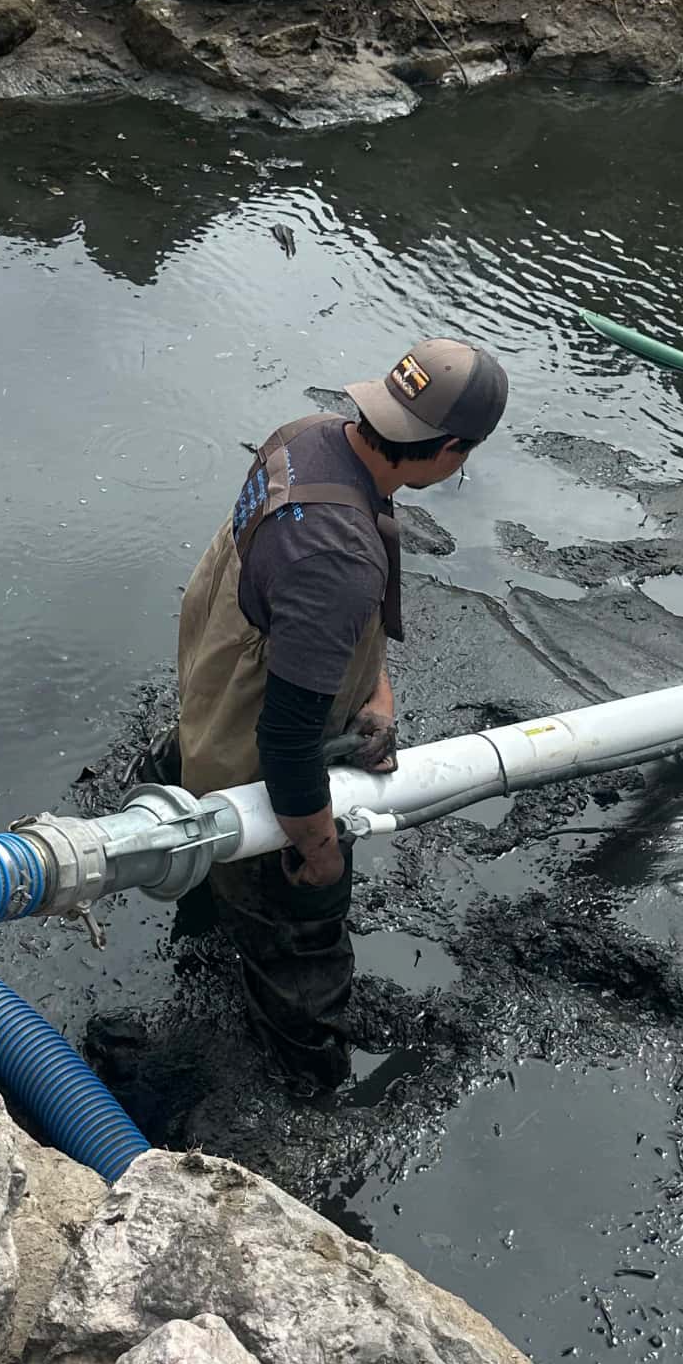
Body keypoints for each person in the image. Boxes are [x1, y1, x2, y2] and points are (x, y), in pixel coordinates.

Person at [171, 338, 509, 1090]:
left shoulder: (308, 438)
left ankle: (199, 907)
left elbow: (306, 603)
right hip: (253, 756)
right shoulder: (340, 558)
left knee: (204, 849)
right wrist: (318, 852)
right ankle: (308, 1098)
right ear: (450, 450)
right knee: (302, 937)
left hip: (212, 680)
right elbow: (288, 746)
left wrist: (373, 682)